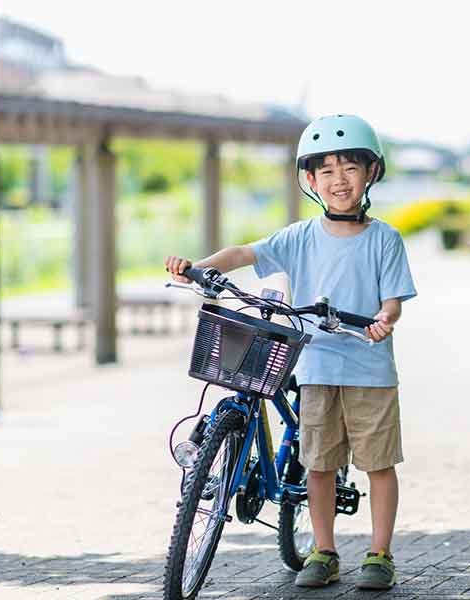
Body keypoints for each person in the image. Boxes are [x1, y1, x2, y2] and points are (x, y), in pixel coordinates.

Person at [166, 114, 417, 591]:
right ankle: (324, 550)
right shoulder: (300, 237)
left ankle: (380, 553)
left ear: (371, 174)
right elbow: (244, 254)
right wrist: (197, 268)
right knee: (318, 464)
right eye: (326, 171)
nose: (338, 180)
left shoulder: (385, 238)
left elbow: (393, 299)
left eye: (350, 169)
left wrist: (385, 320)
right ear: (310, 180)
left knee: (378, 463)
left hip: (370, 369)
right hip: (315, 366)